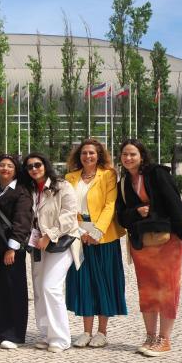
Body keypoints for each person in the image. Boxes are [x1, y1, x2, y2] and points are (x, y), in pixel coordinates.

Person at [116, 138, 182, 357]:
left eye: (133, 154)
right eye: (125, 154)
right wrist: (136, 212)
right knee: (147, 290)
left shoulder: (157, 174)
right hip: (142, 244)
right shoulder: (123, 182)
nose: (128, 158)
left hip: (167, 240)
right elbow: (121, 216)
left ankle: (164, 339)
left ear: (142, 156)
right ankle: (150, 336)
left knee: (167, 289)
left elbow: (175, 203)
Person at [65, 139, 127, 348]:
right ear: (79, 156)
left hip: (104, 236)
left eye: (92, 153)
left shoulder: (108, 174)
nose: (88, 156)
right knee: (84, 282)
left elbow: (110, 205)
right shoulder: (70, 177)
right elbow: (67, 207)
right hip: (79, 235)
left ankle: (101, 332)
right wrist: (79, 231)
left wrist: (97, 231)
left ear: (98, 155)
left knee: (104, 282)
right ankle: (86, 331)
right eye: (84, 153)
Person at [22, 152, 80, 353]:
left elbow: (70, 215)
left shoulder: (61, 186)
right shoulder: (29, 190)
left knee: (50, 287)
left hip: (60, 243)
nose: (34, 169)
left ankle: (61, 338)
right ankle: (46, 334)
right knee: (39, 289)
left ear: (45, 165)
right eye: (29, 167)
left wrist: (50, 235)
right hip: (37, 245)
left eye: (37, 164)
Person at [0, 154, 33, 349]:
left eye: (10, 166)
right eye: (2, 165)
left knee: (12, 290)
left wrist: (12, 247)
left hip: (10, 248)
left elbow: (22, 221)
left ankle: (13, 334)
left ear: (16, 169)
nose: (5, 169)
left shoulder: (21, 191)